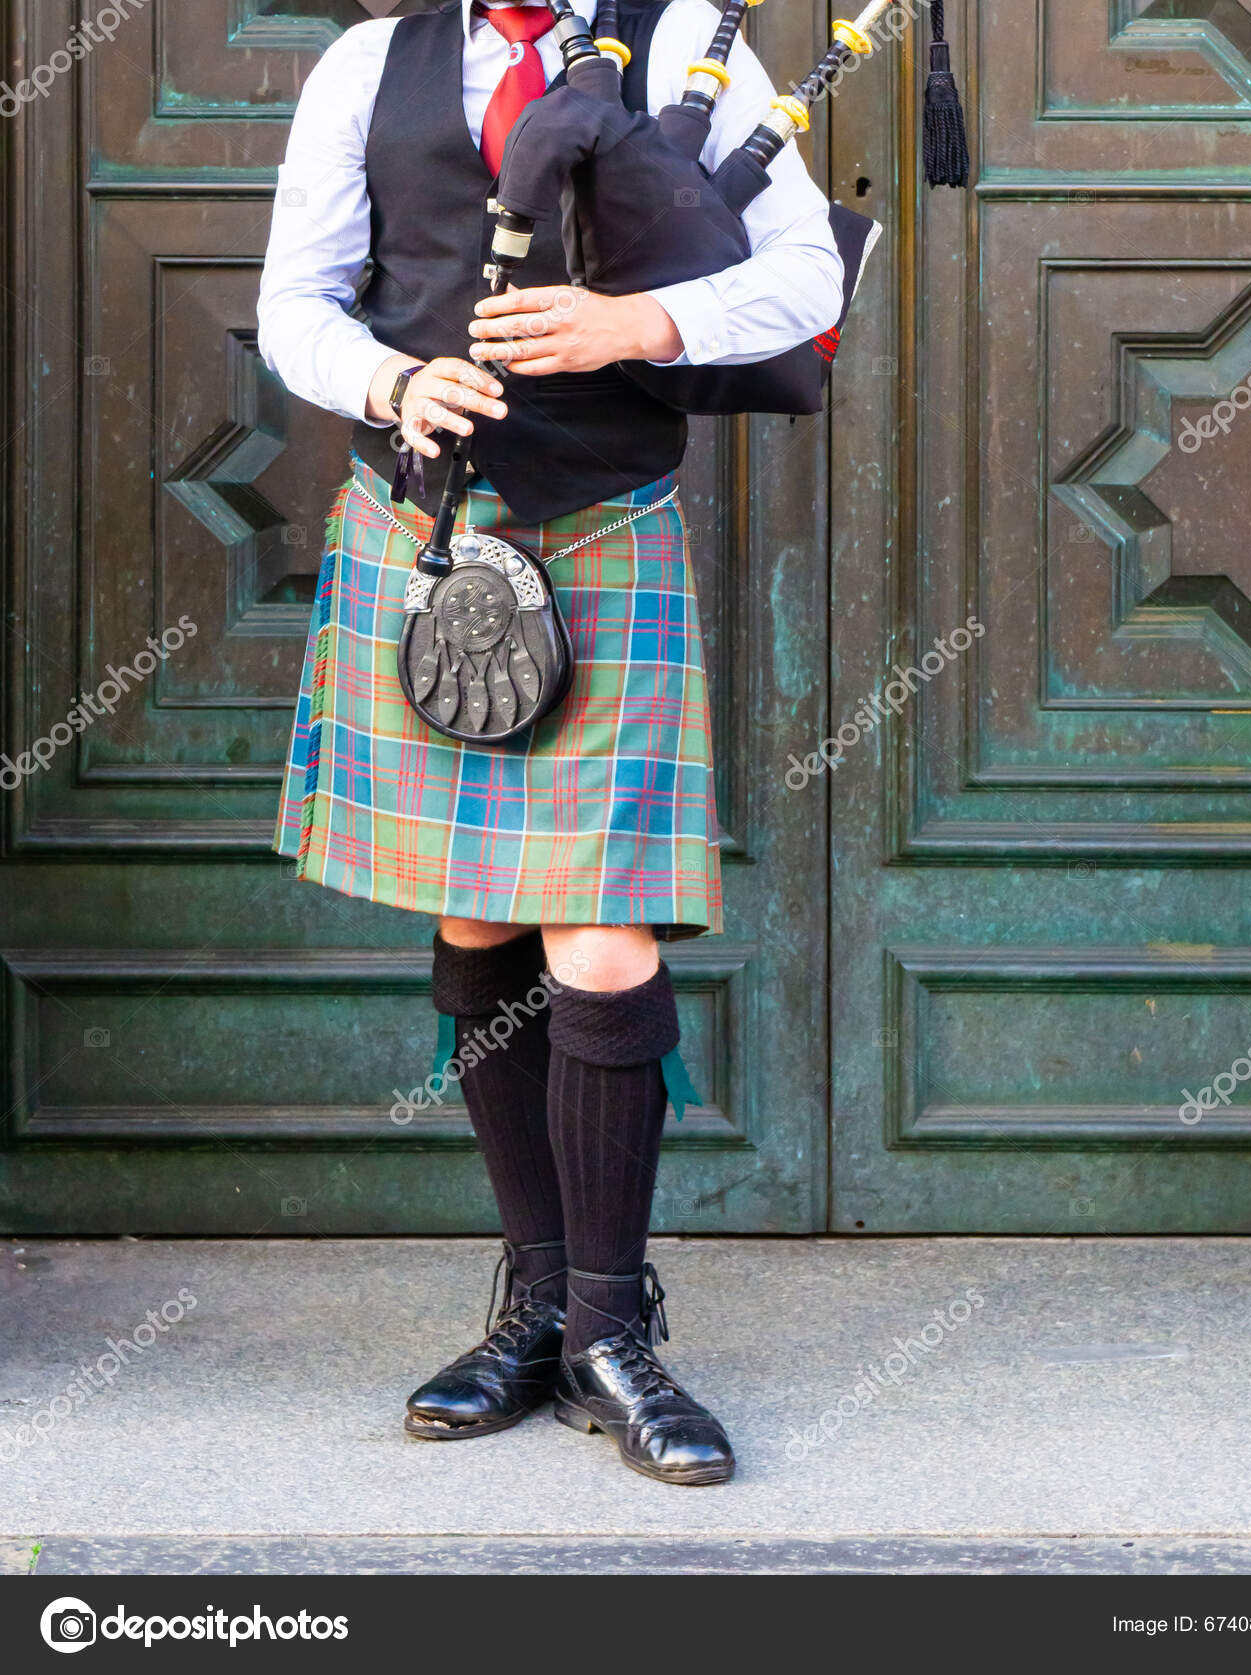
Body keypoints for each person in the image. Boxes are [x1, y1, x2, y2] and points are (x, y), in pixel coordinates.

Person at [257, 0, 844, 1486]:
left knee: (600, 939)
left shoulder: (687, 41)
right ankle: (530, 1305)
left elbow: (806, 279)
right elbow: (295, 308)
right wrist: (392, 382)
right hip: (423, 536)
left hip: (601, 526)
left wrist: (640, 322)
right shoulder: (365, 64)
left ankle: (609, 1328)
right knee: (475, 915)